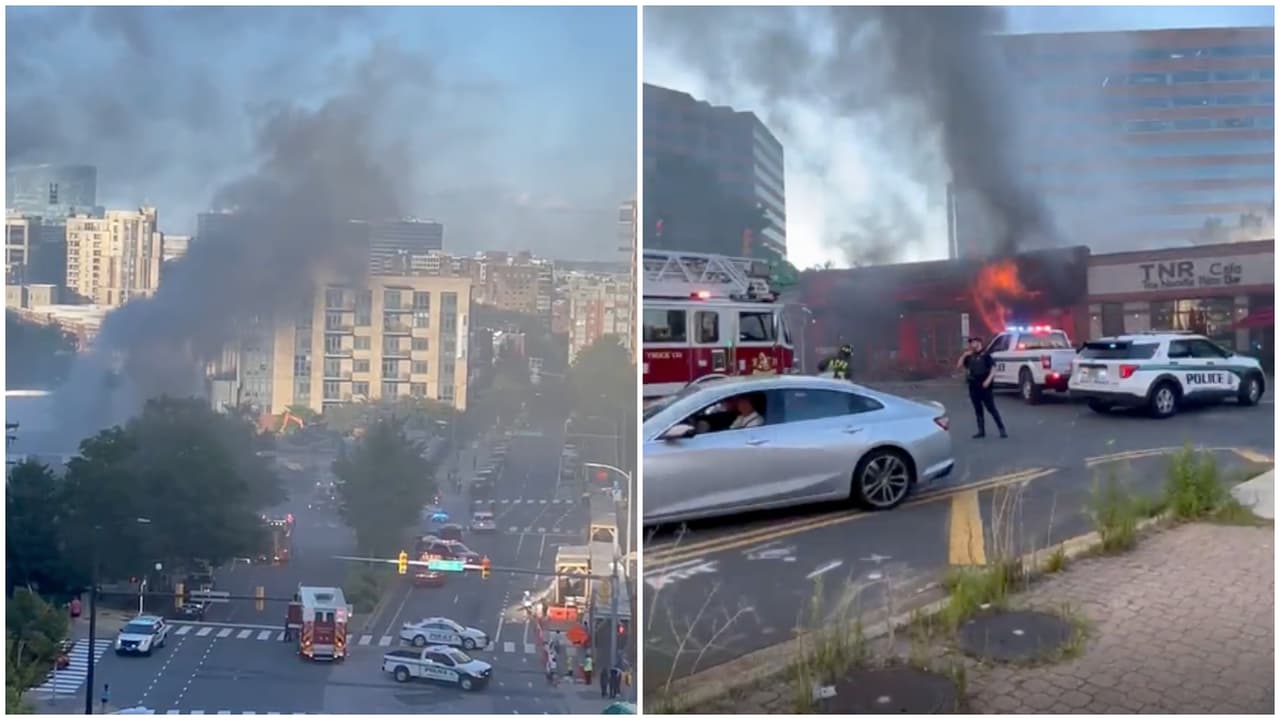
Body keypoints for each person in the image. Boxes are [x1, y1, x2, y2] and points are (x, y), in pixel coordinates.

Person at [957, 337, 1008, 439]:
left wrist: (988, 380)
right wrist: (963, 356)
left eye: (974, 342)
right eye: (971, 343)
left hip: (985, 385)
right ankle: (981, 431)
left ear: (979, 343)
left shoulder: (986, 355)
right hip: (973, 385)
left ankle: (1002, 429)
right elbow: (959, 366)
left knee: (991, 408)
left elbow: (993, 369)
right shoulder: (969, 356)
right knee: (978, 409)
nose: (971, 344)